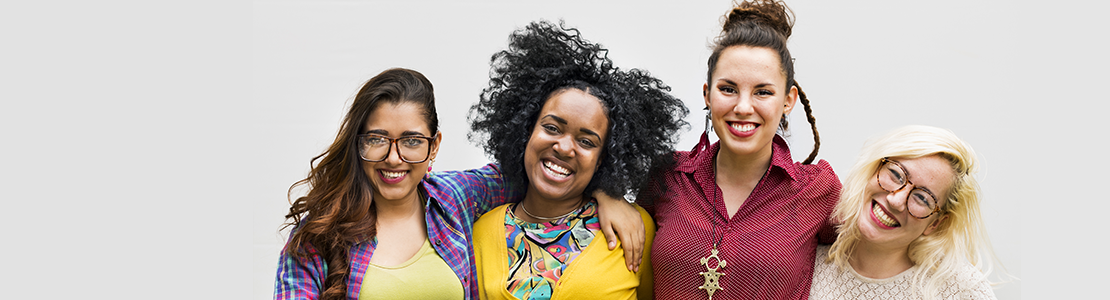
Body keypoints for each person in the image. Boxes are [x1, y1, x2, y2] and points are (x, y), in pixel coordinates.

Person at [273, 68, 646, 300]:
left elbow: (545, 169)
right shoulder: (318, 236)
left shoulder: (456, 200)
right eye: (376, 139)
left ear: (434, 145)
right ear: (358, 143)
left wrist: (607, 191)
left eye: (412, 141)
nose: (393, 157)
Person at [626, 1, 840, 299]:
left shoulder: (817, 190)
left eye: (763, 92)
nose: (742, 107)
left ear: (788, 100)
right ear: (707, 94)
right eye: (728, 89)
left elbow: (877, 252)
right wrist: (606, 198)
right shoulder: (666, 176)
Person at [468, 20, 689, 300]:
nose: (564, 147)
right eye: (551, 128)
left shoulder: (632, 228)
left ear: (603, 160)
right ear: (526, 131)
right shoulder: (481, 232)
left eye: (586, 142)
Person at [810, 125, 998, 300]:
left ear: (935, 223)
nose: (896, 201)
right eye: (896, 175)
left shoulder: (963, 291)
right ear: (874, 170)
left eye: (923, 198)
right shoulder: (804, 261)